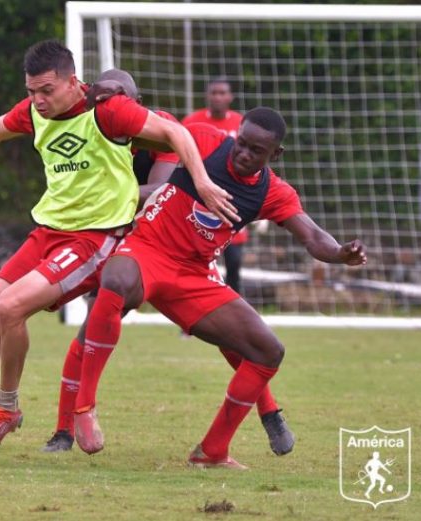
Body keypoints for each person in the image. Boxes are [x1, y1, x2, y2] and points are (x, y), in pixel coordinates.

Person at [0, 40, 237, 456]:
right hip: (48, 232)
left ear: (74, 82)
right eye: (31, 91)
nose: (37, 100)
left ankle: (7, 410)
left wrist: (201, 182)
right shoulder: (35, 113)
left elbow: (175, 131)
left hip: (95, 238)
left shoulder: (108, 110)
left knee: (10, 307)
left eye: (46, 91)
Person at [70, 108, 366, 468]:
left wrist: (339, 253)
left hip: (195, 277)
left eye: (255, 151)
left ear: (275, 155)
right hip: (147, 250)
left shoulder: (272, 192)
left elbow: (313, 236)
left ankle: (212, 452)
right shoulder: (206, 139)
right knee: (114, 281)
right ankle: (83, 408)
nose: (243, 153)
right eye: (241, 143)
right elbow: (144, 134)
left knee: (267, 351)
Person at [44, 78, 295, 458]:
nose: (116, 108)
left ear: (135, 102)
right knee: (92, 322)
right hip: (125, 242)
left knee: (236, 338)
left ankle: (267, 411)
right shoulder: (88, 135)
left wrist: (109, 195)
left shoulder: (167, 133)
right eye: (108, 100)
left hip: (180, 251)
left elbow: (157, 189)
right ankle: (65, 429)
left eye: (124, 101)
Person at [182, 78, 250, 295]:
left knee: (234, 263)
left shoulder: (242, 124)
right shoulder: (193, 121)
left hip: (233, 203)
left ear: (230, 97)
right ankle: (189, 318)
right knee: (194, 264)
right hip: (198, 201)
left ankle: (234, 315)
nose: (218, 97)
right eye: (214, 93)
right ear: (207, 96)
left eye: (223, 93)